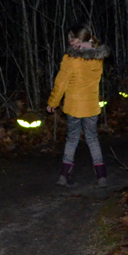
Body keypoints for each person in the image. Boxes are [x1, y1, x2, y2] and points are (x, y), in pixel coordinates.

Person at [46, 23, 110, 187]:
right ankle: (101, 176)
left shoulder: (71, 60)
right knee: (92, 139)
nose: (68, 42)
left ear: (76, 40)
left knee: (72, 139)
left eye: (70, 38)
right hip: (91, 107)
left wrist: (53, 102)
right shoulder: (98, 59)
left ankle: (64, 175)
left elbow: (61, 83)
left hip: (74, 107)